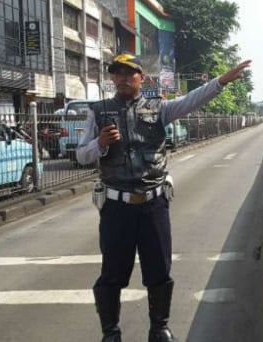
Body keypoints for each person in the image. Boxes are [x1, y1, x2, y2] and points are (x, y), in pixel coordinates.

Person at [76, 52, 251, 342]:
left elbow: (192, 100)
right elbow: (82, 155)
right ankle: (110, 333)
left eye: (128, 73)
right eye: (116, 73)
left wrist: (220, 81)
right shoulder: (98, 111)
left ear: (141, 79)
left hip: (153, 204)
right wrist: (100, 143)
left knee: (159, 270)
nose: (121, 78)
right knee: (112, 274)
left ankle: (159, 328)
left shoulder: (159, 108)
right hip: (116, 207)